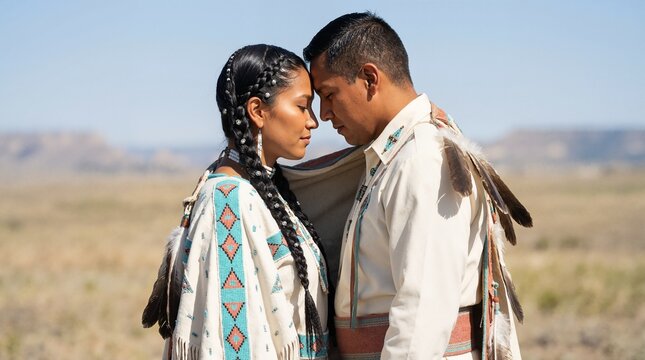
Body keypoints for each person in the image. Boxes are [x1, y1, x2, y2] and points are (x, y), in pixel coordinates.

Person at [294, 12, 532, 359]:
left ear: (369, 79)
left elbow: (422, 313)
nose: (324, 114)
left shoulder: (422, 159)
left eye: (329, 94)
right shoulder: (395, 153)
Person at [142, 44, 331, 359]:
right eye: (302, 106)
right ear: (257, 111)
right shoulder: (229, 200)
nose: (313, 121)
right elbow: (232, 344)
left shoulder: (265, 189)